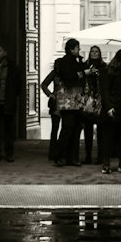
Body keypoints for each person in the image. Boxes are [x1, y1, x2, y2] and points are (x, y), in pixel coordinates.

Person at [53, 38, 86, 167]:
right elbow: (68, 77)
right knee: (67, 128)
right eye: (78, 48)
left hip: (76, 101)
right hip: (68, 102)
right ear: (71, 49)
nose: (79, 50)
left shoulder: (77, 61)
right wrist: (83, 73)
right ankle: (59, 155)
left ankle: (73, 157)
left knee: (76, 129)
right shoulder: (65, 61)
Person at [100, 48, 121, 174]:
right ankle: (106, 162)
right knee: (109, 136)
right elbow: (105, 91)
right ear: (118, 60)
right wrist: (109, 107)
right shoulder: (109, 72)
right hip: (113, 107)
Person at [81, 44, 105, 164]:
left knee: (101, 130)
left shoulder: (104, 66)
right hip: (88, 100)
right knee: (88, 130)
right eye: (92, 51)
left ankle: (101, 155)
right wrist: (88, 73)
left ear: (100, 53)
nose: (94, 53)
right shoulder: (85, 66)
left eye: (96, 51)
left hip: (99, 100)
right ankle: (88, 155)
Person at [40, 66, 59, 161]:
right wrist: (50, 94)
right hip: (56, 103)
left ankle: (58, 152)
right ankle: (53, 152)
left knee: (62, 129)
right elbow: (44, 84)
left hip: (67, 103)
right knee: (55, 129)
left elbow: (44, 84)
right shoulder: (55, 72)